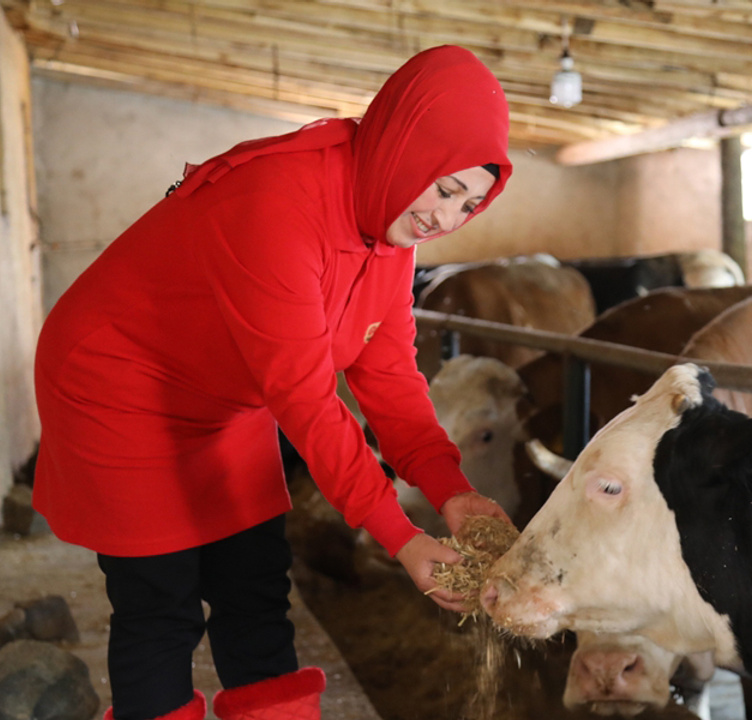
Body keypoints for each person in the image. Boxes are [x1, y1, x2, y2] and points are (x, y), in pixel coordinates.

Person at [32, 45, 514, 720]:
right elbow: (308, 400)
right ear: (407, 145)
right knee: (161, 602)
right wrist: (400, 536)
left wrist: (452, 490)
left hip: (227, 387)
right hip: (121, 377)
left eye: (469, 202)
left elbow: (387, 371)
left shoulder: (392, 234)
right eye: (443, 187)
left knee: (254, 584)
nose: (445, 217)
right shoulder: (279, 203)